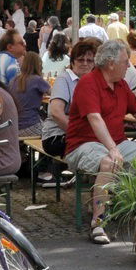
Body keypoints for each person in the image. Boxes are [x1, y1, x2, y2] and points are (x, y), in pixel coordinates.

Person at [64, 39, 136, 244]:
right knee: (109, 161)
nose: (129, 66)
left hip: (115, 141)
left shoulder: (121, 84)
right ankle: (99, 222)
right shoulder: (88, 83)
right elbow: (95, 118)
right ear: (111, 63)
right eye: (125, 61)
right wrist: (113, 149)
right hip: (83, 143)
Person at [36, 39, 97, 186]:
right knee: (97, 151)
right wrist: (78, 133)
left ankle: (97, 188)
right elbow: (56, 113)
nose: (85, 63)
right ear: (73, 61)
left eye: (89, 60)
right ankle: (95, 193)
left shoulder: (93, 81)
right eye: (81, 59)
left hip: (82, 134)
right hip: (56, 136)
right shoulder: (65, 79)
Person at [10, 51, 50, 136]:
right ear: (38, 65)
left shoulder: (14, 80)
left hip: (15, 127)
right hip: (31, 125)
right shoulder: (37, 80)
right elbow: (55, 93)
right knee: (53, 133)